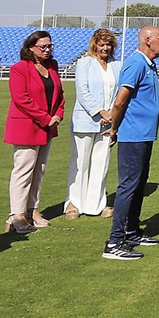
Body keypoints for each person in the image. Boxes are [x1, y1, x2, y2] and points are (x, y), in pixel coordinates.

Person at [102, 26, 159, 261]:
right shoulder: (136, 63)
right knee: (128, 186)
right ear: (148, 41)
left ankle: (131, 232)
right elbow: (120, 101)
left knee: (139, 185)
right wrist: (114, 128)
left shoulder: (149, 65)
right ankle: (114, 241)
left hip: (144, 134)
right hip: (133, 135)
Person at [3, 30, 64, 235]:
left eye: (50, 46)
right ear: (30, 47)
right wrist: (47, 118)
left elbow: (59, 94)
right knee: (23, 171)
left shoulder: (52, 67)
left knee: (40, 170)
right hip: (27, 126)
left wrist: (58, 114)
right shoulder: (20, 69)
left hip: (47, 127)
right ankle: (17, 215)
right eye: (42, 47)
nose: (47, 50)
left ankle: (32, 210)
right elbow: (21, 99)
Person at [67, 28, 121, 218]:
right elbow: (83, 92)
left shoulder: (117, 65)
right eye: (102, 44)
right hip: (85, 120)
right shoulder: (85, 63)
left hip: (108, 123)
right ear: (95, 45)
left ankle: (96, 204)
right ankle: (74, 203)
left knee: (101, 162)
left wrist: (113, 115)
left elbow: (119, 93)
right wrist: (101, 111)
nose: (105, 48)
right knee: (80, 162)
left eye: (108, 44)